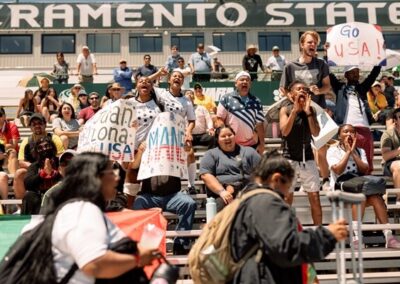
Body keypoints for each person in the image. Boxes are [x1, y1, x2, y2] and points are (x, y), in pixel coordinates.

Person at [230, 151, 348, 284]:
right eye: (288, 187)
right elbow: (286, 247)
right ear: (276, 179)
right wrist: (327, 235)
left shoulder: (248, 200)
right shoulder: (266, 202)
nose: (286, 195)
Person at [39, 152, 158, 283]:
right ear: (96, 178)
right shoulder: (84, 211)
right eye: (111, 172)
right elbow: (94, 264)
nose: (117, 178)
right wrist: (138, 259)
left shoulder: (89, 208)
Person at [135, 71, 197, 255]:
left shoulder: (175, 147)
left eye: (180, 76)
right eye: (174, 76)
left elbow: (188, 154)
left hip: (173, 194)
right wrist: (140, 150)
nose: (177, 78)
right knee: (136, 205)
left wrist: (186, 144)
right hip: (149, 195)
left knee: (189, 204)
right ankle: (142, 246)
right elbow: (145, 84)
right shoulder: (147, 148)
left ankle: (181, 244)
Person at [328, 124, 400, 249]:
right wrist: (347, 152)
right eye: (345, 132)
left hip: (359, 185)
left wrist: (354, 153)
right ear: (339, 135)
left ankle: (388, 236)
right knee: (360, 196)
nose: (349, 134)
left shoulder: (360, 151)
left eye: (352, 132)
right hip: (342, 187)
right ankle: (356, 237)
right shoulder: (333, 150)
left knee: (376, 198)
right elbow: (338, 170)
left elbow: (364, 169)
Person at [280, 31, 331, 190]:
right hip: (297, 112)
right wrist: (294, 99)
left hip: (316, 110)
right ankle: (306, 182)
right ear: (302, 45)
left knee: (321, 147)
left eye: (315, 43)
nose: (313, 45)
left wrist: (319, 91)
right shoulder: (290, 66)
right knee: (300, 146)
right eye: (309, 42)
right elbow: (282, 89)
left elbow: (327, 86)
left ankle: (326, 179)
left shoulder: (321, 64)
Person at [279, 80, 322, 225]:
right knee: (287, 198)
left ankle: (319, 233)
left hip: (307, 157)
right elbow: (285, 131)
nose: (302, 91)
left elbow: (316, 133)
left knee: (315, 197)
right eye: (298, 89)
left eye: (304, 89)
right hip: (289, 157)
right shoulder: (285, 109)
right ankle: (285, 232)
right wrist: (294, 111)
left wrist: (308, 113)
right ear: (291, 94)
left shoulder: (311, 110)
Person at [330, 65, 381, 173]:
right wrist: (326, 54)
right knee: (348, 156)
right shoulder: (340, 88)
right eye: (352, 72)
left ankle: (367, 181)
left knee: (367, 159)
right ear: (346, 75)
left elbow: (373, 75)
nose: (355, 74)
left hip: (364, 128)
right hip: (347, 128)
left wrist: (379, 61)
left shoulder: (362, 88)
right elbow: (329, 75)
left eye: (357, 72)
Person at [199, 126, 260, 211]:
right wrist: (222, 192)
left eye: (230, 135)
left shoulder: (249, 152)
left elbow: (263, 171)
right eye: (223, 136)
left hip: (247, 191)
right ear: (217, 139)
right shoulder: (211, 154)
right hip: (223, 194)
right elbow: (206, 175)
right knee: (219, 205)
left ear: (234, 136)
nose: (227, 138)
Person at [13, 113, 64, 203]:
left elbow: (60, 157)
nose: (37, 126)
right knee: (19, 172)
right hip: (35, 170)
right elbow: (21, 162)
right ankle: (22, 205)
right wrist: (39, 168)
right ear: (30, 127)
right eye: (34, 124)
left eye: (39, 123)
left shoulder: (54, 138)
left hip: (54, 166)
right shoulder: (26, 141)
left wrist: (50, 169)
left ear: (45, 125)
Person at [216, 71, 265, 155]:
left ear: (250, 84)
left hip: (251, 145)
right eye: (242, 80)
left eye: (247, 80)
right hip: (231, 145)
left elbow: (260, 125)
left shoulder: (256, 101)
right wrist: (226, 137)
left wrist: (262, 144)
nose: (244, 82)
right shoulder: (226, 99)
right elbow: (219, 120)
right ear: (236, 83)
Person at [22, 136, 62, 214]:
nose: (44, 149)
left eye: (47, 146)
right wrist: (42, 174)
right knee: (29, 195)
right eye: (40, 148)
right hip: (41, 196)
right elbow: (27, 183)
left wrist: (55, 174)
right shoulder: (35, 166)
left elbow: (70, 179)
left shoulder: (60, 162)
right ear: (37, 151)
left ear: (52, 147)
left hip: (59, 194)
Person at [185, 90, 214, 194]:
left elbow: (209, 119)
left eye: (191, 94)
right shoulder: (182, 108)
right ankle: (190, 184)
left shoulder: (202, 108)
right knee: (188, 152)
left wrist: (210, 128)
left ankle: (211, 159)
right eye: (187, 93)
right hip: (188, 136)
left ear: (194, 97)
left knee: (214, 138)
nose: (189, 95)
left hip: (202, 135)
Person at [381, 108, 400, 198]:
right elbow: (385, 156)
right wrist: (399, 151)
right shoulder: (388, 134)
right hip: (391, 163)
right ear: (395, 121)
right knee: (398, 165)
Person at [0, 107, 20, 175]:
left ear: (4, 116)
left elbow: (13, 145)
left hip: (9, 152)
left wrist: (2, 149)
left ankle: (13, 178)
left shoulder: (12, 126)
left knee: (12, 151)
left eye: (0, 115)